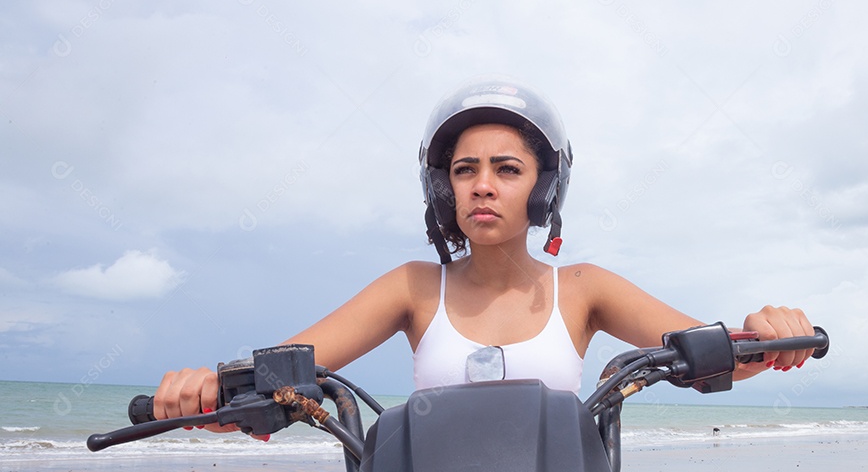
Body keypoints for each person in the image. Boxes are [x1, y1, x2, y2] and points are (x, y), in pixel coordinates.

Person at [154, 76, 815, 429]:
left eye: (507, 168)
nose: (483, 185)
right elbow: (283, 375)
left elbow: (708, 357)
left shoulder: (585, 288)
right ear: (445, 189)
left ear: (543, 187)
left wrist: (767, 334)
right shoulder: (412, 287)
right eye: (465, 170)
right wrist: (209, 396)